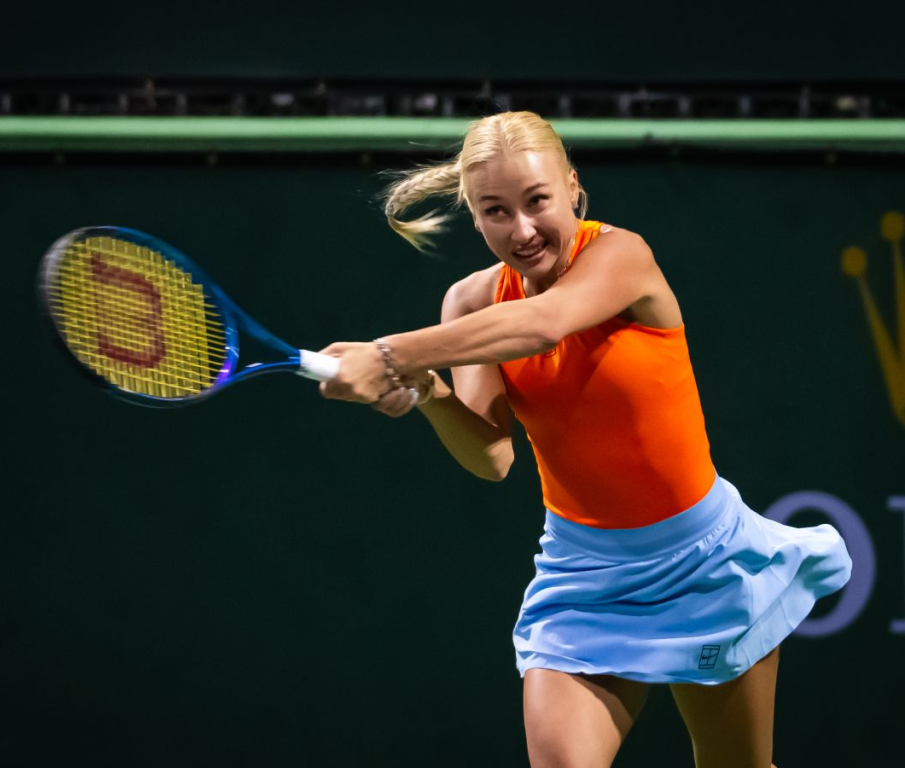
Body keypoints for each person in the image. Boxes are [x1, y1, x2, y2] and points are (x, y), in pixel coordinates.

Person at [318, 111, 851, 768]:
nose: (522, 229)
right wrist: (429, 392)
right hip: (584, 575)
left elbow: (545, 322)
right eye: (495, 211)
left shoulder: (623, 256)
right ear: (474, 216)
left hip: (705, 560)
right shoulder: (469, 303)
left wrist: (387, 353)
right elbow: (491, 457)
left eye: (537, 201)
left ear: (572, 186)